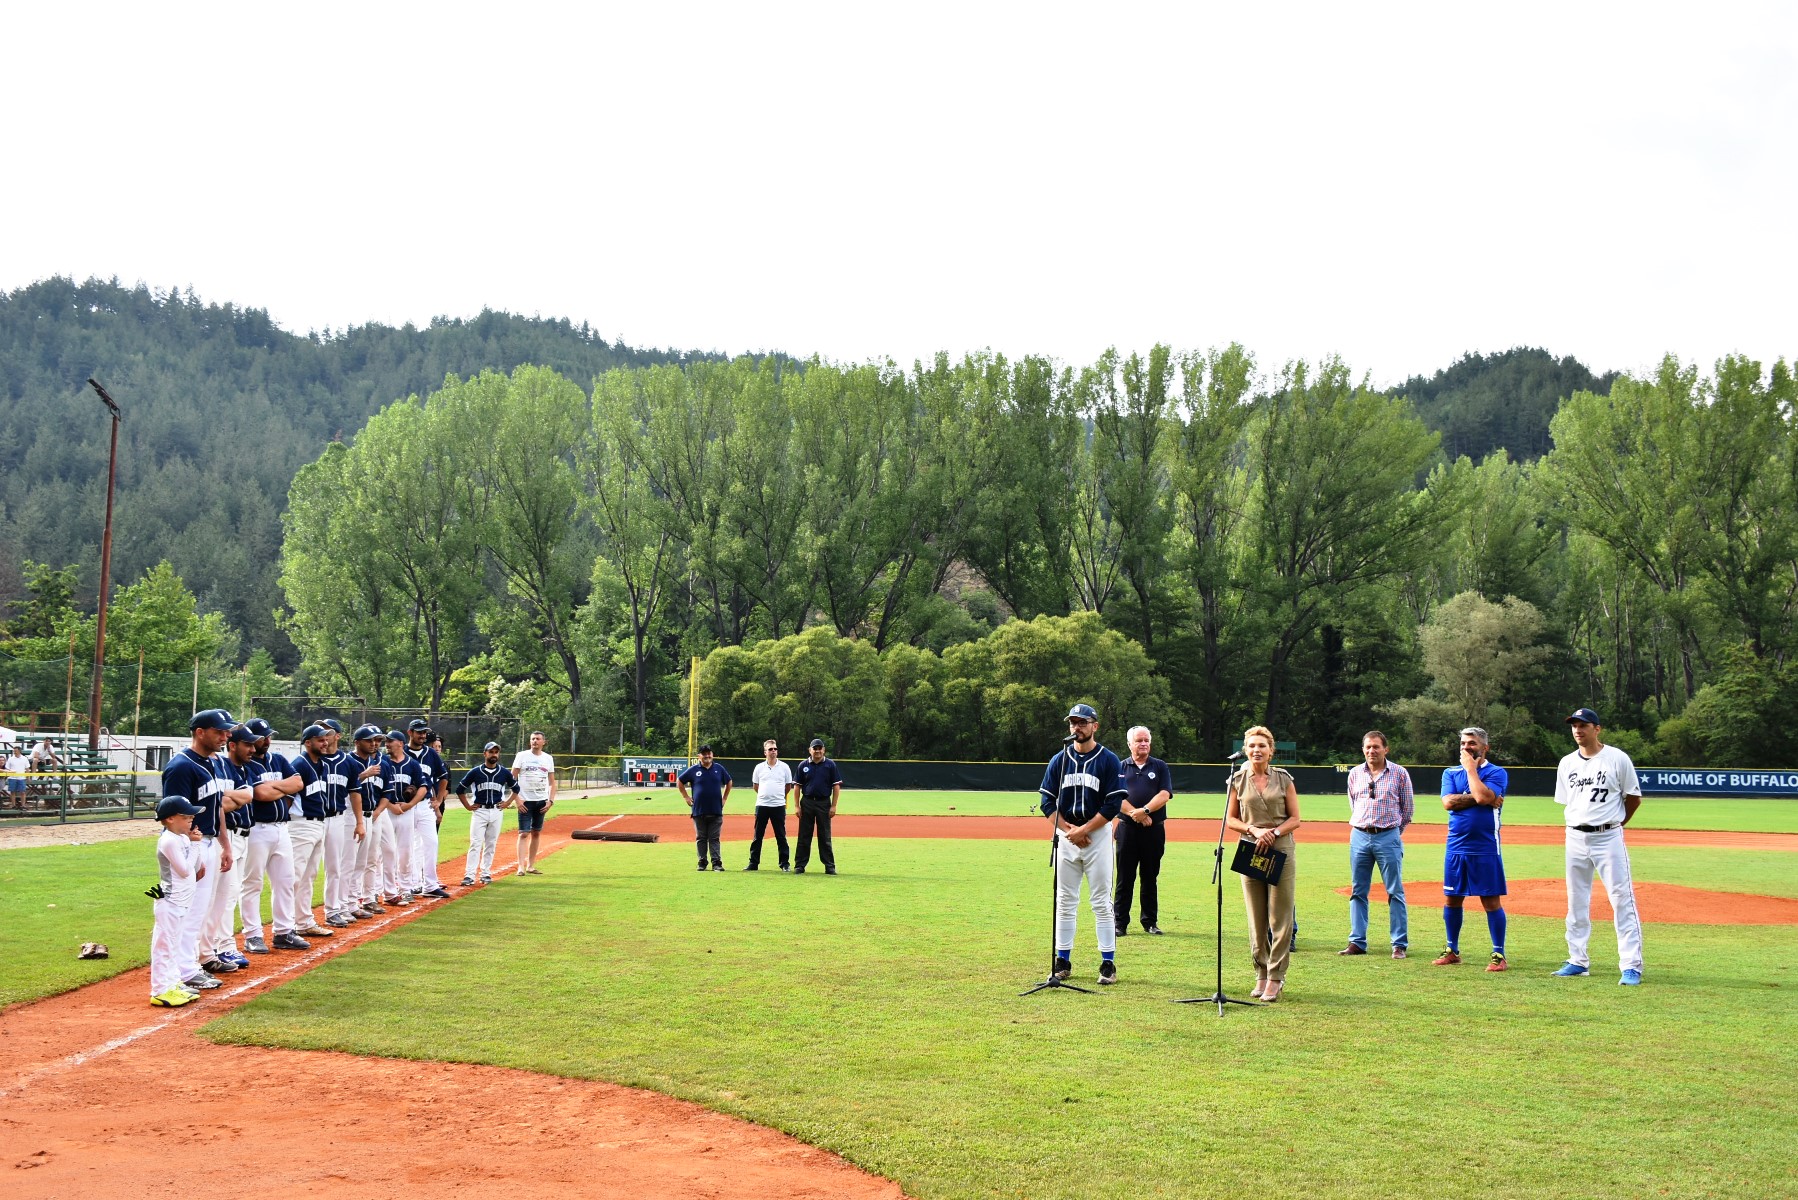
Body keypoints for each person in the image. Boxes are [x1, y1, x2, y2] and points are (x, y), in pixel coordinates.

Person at [1552, 707, 1646, 985]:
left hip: (1608, 837)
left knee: (1622, 900)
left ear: (1597, 728)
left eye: (1583, 725)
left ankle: (1631, 966)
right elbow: (1569, 802)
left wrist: (1616, 823)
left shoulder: (1617, 758)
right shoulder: (1567, 763)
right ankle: (1577, 960)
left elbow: (1633, 798)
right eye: (1574, 726)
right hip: (1575, 838)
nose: (1578, 730)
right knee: (1576, 900)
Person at [1038, 702, 1126, 985]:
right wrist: (1068, 830)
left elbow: (1114, 803)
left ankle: (1108, 963)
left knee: (1101, 901)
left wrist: (1085, 829)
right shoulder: (1059, 760)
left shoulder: (1108, 760)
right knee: (1064, 901)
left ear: (1094, 726)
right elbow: (1046, 801)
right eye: (1073, 723)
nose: (1077, 727)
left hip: (1098, 836)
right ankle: (1062, 960)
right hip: (1066, 837)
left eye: (1083, 722)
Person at [159, 708, 248, 987]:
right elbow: (174, 817)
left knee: (201, 910)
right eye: (219, 731)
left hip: (209, 842)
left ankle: (189, 965)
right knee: (188, 911)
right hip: (189, 846)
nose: (226, 736)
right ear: (200, 732)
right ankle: (184, 970)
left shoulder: (214, 762)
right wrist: (189, 854)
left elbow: (218, 807)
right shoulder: (181, 766)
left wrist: (225, 844)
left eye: (226, 731)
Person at [1224, 725, 1301, 1002]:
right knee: (1256, 918)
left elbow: (1295, 818)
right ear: (1245, 750)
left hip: (1280, 848)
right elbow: (1230, 819)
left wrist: (1274, 832)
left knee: (1279, 916)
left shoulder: (1283, 779)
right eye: (1252, 746)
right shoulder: (1237, 779)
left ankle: (1277, 976)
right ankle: (1260, 971)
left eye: (1262, 746)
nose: (1257, 750)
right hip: (1250, 847)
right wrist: (1254, 831)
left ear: (1271, 751)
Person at [1435, 727, 1510, 971]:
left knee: (1490, 901)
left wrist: (1471, 772)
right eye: (1463, 744)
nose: (1467, 747)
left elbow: (1482, 797)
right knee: (1452, 899)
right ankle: (1451, 949)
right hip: (1456, 847)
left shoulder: (1497, 772)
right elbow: (1449, 802)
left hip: (1485, 847)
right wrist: (1481, 797)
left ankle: (1498, 955)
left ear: (1484, 747)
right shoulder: (1449, 772)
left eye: (1472, 743)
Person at [1339, 730, 1414, 959]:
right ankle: (1357, 941)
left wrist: (1391, 833)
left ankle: (1399, 943)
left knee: (1395, 891)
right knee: (1358, 890)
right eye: (1368, 747)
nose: (1372, 751)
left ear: (1385, 749)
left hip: (1388, 836)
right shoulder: (1354, 774)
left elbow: (1408, 810)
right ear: (1363, 749)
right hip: (1359, 835)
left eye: (1376, 747)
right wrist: (1365, 827)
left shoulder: (1399, 774)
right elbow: (1354, 803)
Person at [238, 720, 310, 953]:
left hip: (282, 828)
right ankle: (253, 934)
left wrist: (274, 787)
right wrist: (282, 787)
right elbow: (260, 793)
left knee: (285, 882)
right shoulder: (246, 764)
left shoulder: (278, 759)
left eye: (269, 736)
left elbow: (298, 783)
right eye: (262, 737)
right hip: (257, 829)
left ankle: (284, 931)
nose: (267, 740)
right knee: (252, 883)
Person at [1113, 725, 1172, 937]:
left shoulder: (1160, 766)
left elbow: (1165, 794)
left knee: (1150, 877)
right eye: (1139, 740)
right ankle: (1120, 923)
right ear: (1130, 744)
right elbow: (1115, 797)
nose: (1144, 744)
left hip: (1153, 831)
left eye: (1146, 740)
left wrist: (1145, 811)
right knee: (1124, 878)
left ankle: (1149, 922)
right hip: (1127, 830)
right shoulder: (1119, 767)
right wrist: (1135, 814)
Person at [149, 797, 205, 1007]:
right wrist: (196, 845)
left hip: (182, 900)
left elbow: (198, 866)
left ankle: (173, 983)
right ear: (171, 819)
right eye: (186, 816)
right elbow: (184, 870)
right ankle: (160, 990)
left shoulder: (181, 838)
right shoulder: (169, 840)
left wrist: (193, 844)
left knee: (175, 944)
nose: (191, 819)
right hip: (171, 901)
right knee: (165, 946)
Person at [456, 741, 518, 885]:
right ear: (485, 754)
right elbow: (460, 789)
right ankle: (469, 875)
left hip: (497, 810)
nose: (493, 754)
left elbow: (516, 788)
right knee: (475, 843)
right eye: (491, 752)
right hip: (480, 811)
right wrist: (467, 806)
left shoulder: (503, 772)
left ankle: (485, 873)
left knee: (491, 844)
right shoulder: (476, 772)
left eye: (496, 752)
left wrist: (508, 803)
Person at [346, 724, 390, 915]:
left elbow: (387, 792)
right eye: (369, 740)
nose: (374, 744)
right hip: (352, 816)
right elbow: (344, 787)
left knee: (368, 860)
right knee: (350, 862)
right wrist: (364, 774)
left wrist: (378, 811)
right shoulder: (347, 761)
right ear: (357, 742)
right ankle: (347, 904)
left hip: (372, 815)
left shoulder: (381, 764)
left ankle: (364, 899)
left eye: (376, 740)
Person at [378, 730, 426, 902]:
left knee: (405, 851)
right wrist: (390, 805)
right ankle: (381, 889)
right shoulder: (382, 762)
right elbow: (378, 789)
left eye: (390, 741)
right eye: (387, 741)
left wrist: (409, 805)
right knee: (383, 852)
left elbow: (423, 787)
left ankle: (405, 888)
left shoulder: (412, 764)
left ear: (400, 743)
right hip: (386, 811)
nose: (387, 744)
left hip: (406, 811)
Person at [406, 719, 450, 898]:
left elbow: (443, 776)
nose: (422, 735)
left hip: (425, 805)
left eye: (424, 732)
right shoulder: (402, 752)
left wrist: (438, 800)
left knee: (431, 842)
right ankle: (409, 884)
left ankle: (430, 885)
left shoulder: (431, 754)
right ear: (410, 733)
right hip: (405, 806)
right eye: (418, 732)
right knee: (406, 846)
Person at [677, 743, 732, 872]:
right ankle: (702, 862)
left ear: (712, 754)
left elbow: (729, 782)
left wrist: (724, 798)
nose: (707, 756)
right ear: (699, 756)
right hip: (699, 810)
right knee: (701, 838)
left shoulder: (719, 768)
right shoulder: (693, 770)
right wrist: (686, 797)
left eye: (709, 753)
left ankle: (716, 863)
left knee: (714, 838)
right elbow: (680, 781)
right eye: (704, 753)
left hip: (716, 809)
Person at [793, 738, 842, 875]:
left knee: (825, 835)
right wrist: (797, 806)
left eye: (820, 748)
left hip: (823, 802)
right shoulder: (803, 765)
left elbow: (836, 786)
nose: (817, 751)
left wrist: (833, 806)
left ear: (824, 750)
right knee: (804, 835)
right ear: (810, 750)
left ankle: (829, 866)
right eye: (815, 748)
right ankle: (800, 865)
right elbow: (797, 786)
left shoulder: (830, 765)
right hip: (807, 802)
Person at [511, 730, 556, 875]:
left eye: (538, 739)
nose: (535, 741)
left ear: (544, 742)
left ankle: (531, 865)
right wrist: (517, 799)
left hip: (541, 801)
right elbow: (512, 779)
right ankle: (520, 867)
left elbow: (552, 782)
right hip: (525, 801)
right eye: (532, 739)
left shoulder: (548, 758)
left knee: (536, 832)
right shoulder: (522, 756)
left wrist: (550, 801)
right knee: (523, 833)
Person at [745, 738, 793, 872]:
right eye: (770, 749)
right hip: (762, 805)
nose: (773, 751)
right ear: (765, 752)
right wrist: (765, 795)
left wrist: (778, 796)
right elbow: (756, 786)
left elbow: (788, 786)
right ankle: (753, 863)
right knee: (757, 836)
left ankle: (784, 863)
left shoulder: (784, 767)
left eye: (775, 749)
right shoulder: (759, 767)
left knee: (781, 836)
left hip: (778, 805)